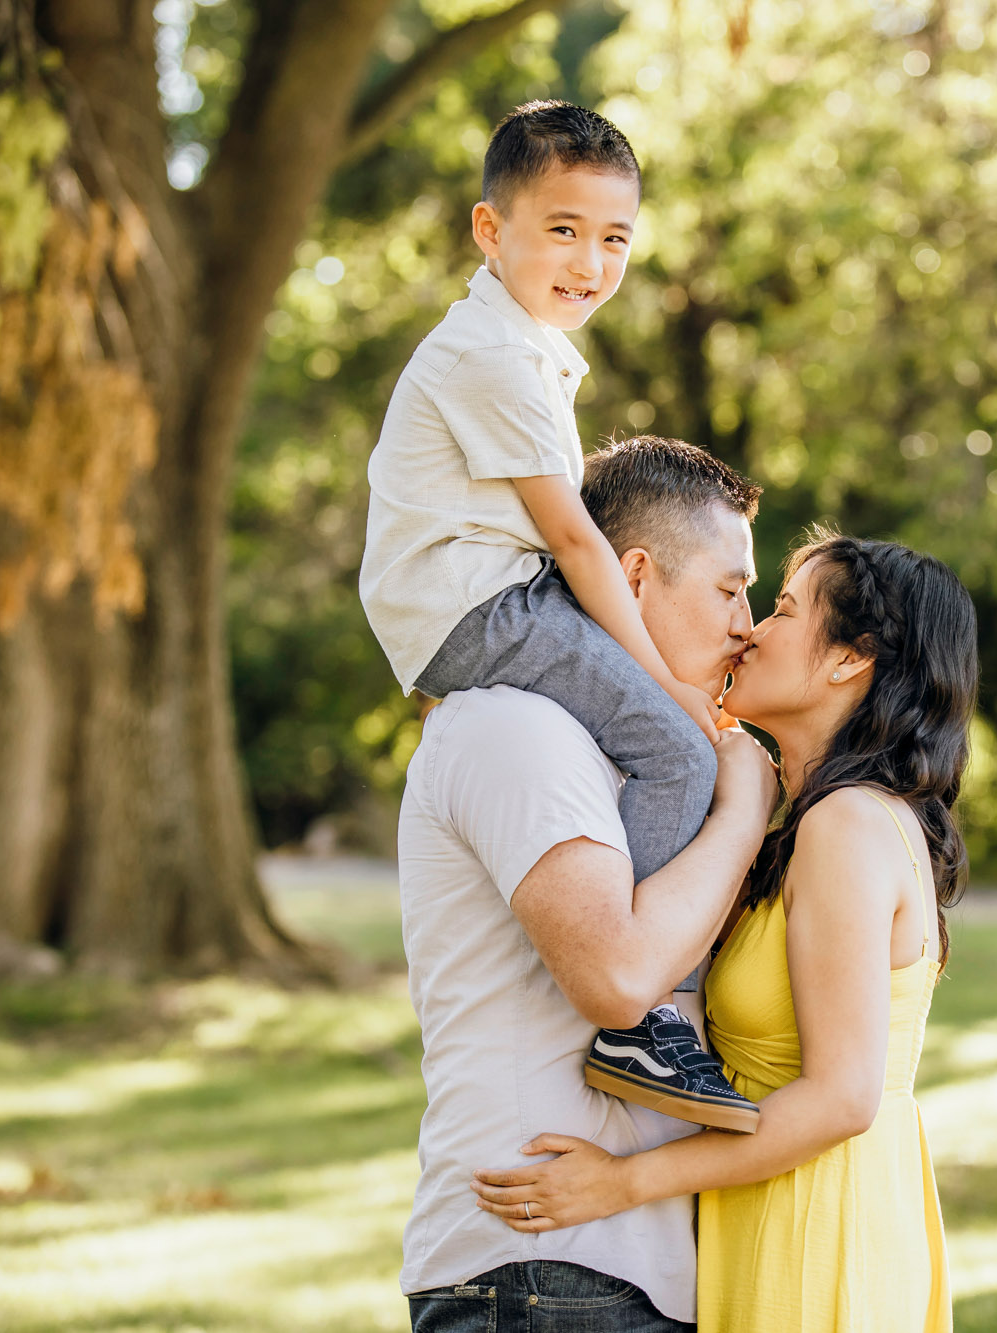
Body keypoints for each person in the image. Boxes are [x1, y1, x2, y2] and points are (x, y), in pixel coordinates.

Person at [360, 101, 758, 1130]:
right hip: (477, 607)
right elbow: (580, 544)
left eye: (614, 237)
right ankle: (639, 1011)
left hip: (494, 588)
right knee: (676, 754)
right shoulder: (490, 355)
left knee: (652, 736)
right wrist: (672, 692)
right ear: (491, 231)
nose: (589, 261)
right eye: (563, 230)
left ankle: (639, 977)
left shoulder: (524, 341)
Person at [472, 532, 977, 1333]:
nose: (750, 630)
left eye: (780, 608)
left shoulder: (847, 824)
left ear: (851, 659)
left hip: (814, 1224)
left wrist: (623, 1181)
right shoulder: (820, 820)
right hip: (780, 1203)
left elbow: (844, 1096)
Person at [396, 437, 777, 1331]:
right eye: (730, 588)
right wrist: (744, 812)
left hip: (620, 1264)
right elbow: (614, 979)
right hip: (542, 1270)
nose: (747, 623)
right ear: (634, 576)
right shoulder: (521, 728)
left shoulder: (632, 758)